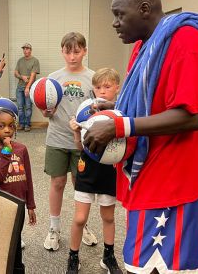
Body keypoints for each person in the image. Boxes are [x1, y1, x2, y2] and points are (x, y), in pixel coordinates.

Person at [82, 0, 198, 273]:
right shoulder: (143, 45)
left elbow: (193, 116)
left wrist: (121, 126)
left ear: (145, 9)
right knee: (140, 265)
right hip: (152, 176)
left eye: (120, 15)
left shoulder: (186, 40)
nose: (114, 23)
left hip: (176, 182)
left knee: (162, 269)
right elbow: (149, 102)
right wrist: (116, 109)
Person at [42, 32, 97, 252]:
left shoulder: (93, 78)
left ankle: (81, 224)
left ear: (84, 51)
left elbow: (98, 109)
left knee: (80, 185)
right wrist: (47, 111)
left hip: (81, 142)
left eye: (77, 51)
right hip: (56, 138)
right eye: (68, 51)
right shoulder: (53, 78)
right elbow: (46, 111)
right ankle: (54, 228)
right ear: (62, 51)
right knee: (57, 183)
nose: (72, 56)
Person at [66, 68, 122, 274]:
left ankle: (108, 256)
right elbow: (81, 148)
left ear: (117, 87)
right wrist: (75, 132)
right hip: (87, 169)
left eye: (107, 87)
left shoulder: (121, 113)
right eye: (98, 87)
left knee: (108, 216)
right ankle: (73, 256)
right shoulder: (86, 112)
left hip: (109, 171)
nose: (102, 91)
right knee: (80, 218)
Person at [0, 107, 36, 274]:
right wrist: (6, 151)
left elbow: (28, 178)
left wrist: (31, 205)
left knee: (16, 239)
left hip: (19, 204)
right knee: (3, 241)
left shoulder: (22, 149)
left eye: (11, 126)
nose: (7, 130)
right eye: (1, 125)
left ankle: (18, 269)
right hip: (0, 205)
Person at [14, 43, 40, 132]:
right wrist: (22, 77)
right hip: (19, 88)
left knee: (28, 107)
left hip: (30, 88)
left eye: (27, 49)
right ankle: (21, 124)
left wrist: (28, 87)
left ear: (30, 50)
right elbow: (15, 73)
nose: (25, 50)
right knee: (20, 107)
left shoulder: (35, 61)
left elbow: (33, 76)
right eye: (24, 49)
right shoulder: (20, 60)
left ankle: (27, 124)